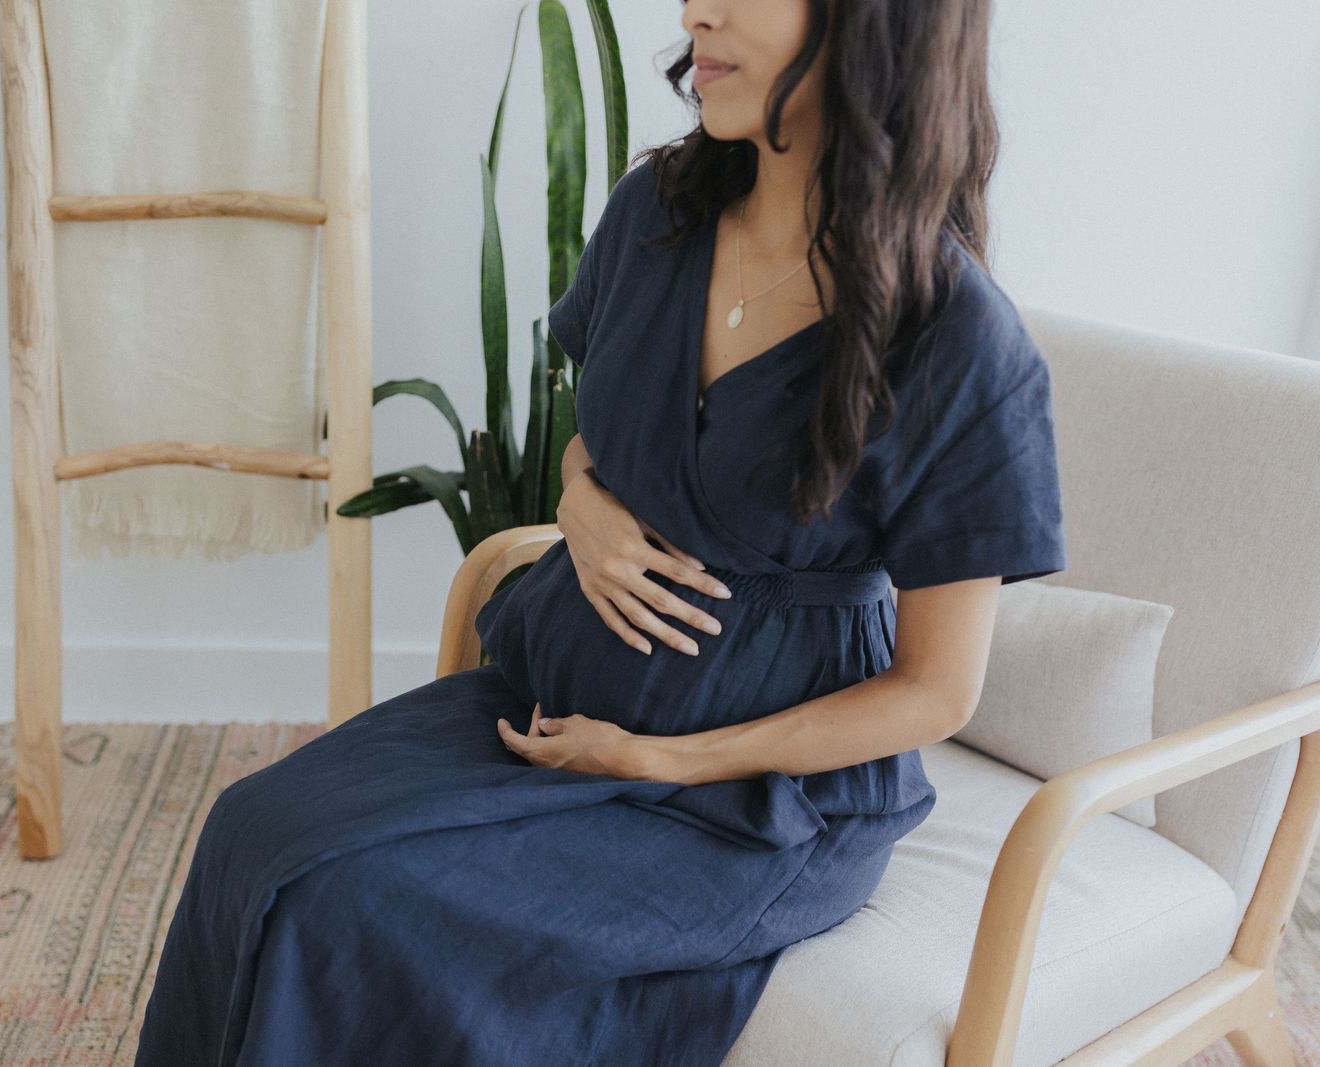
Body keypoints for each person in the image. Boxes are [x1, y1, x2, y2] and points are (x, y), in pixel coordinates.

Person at [133, 0, 1067, 1063]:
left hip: (753, 803)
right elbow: (608, 436)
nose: (695, 10)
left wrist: (663, 757)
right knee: (251, 829)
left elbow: (937, 690)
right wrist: (579, 495)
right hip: (554, 698)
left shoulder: (959, 341)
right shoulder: (655, 213)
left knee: (346, 910)